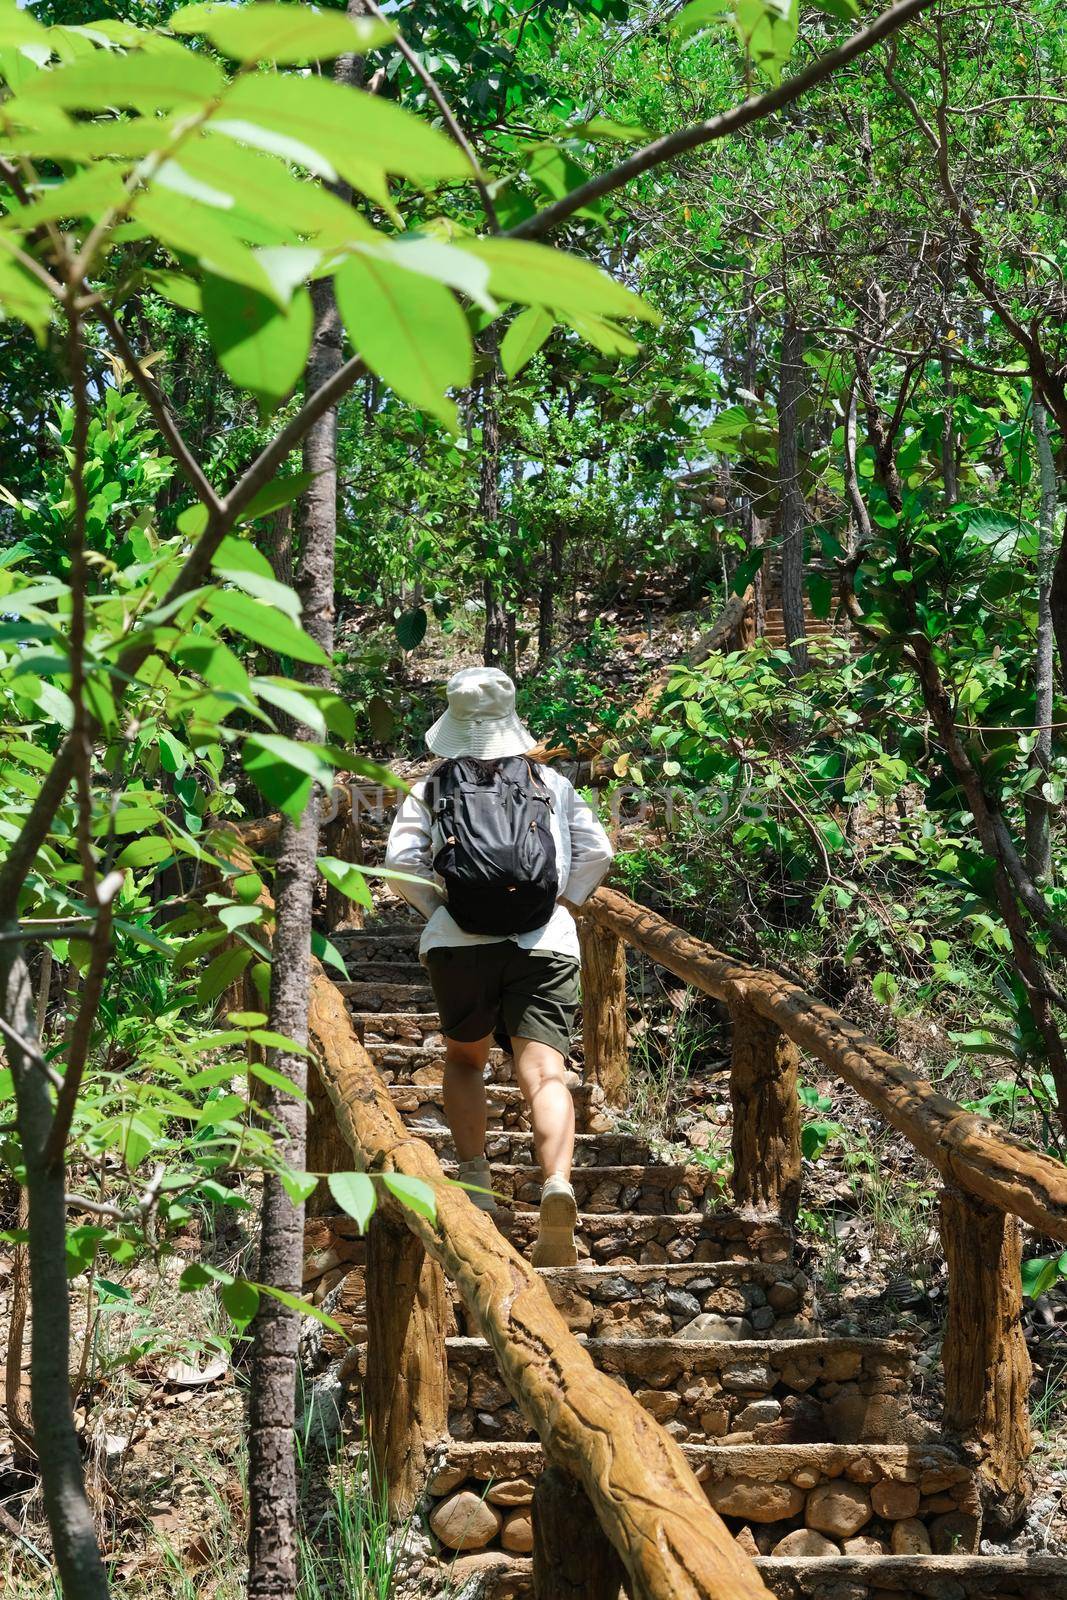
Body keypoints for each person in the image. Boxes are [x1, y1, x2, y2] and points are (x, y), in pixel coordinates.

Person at [385, 666, 613, 1267]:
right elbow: (600, 851)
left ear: (453, 726)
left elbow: (400, 862)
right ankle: (557, 1183)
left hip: (460, 945)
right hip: (546, 942)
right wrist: (564, 902)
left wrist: (441, 907)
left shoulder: (432, 788)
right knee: (544, 1073)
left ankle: (478, 1181)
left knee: (465, 1060)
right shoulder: (552, 783)